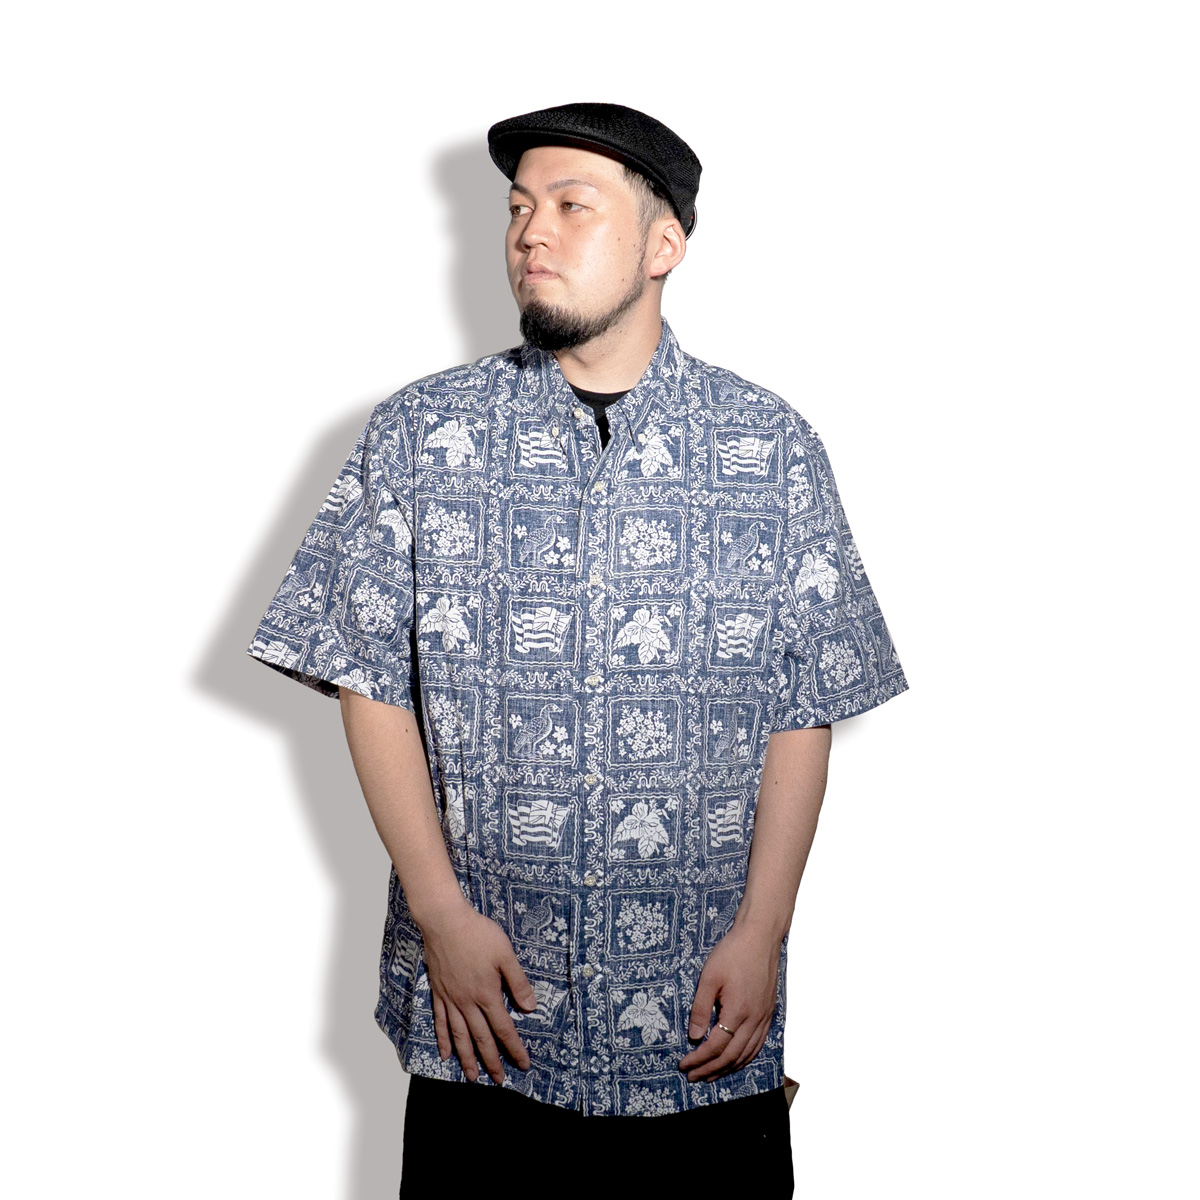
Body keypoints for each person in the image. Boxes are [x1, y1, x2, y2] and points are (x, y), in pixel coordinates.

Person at [246, 101, 909, 1197]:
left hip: (700, 1028)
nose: (530, 232)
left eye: (571, 205)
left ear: (663, 245)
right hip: (484, 1025)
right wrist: (441, 914)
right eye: (518, 208)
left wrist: (763, 933)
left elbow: (804, 706)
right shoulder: (419, 435)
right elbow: (369, 682)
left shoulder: (774, 448)